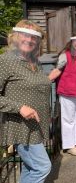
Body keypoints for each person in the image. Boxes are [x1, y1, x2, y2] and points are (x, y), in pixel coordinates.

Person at [0, 20, 52, 183]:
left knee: (31, 168)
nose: (29, 40)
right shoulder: (6, 60)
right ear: (15, 36)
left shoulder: (34, 62)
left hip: (35, 126)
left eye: (34, 37)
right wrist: (19, 107)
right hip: (20, 127)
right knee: (42, 167)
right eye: (25, 35)